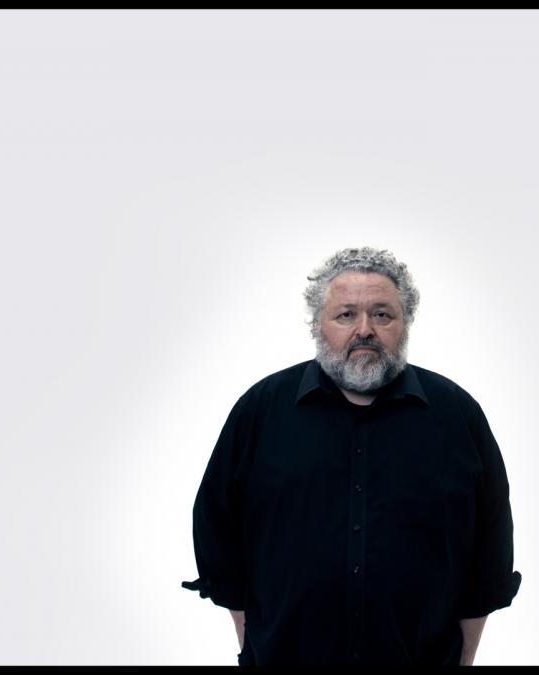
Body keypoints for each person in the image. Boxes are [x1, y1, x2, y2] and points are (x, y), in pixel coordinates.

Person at [182, 246, 521, 666]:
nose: (365, 329)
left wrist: (463, 657)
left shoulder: (457, 416)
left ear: (405, 323)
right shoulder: (261, 410)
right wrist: (255, 640)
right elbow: (218, 532)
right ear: (318, 324)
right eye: (346, 315)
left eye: (382, 314)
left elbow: (490, 550)